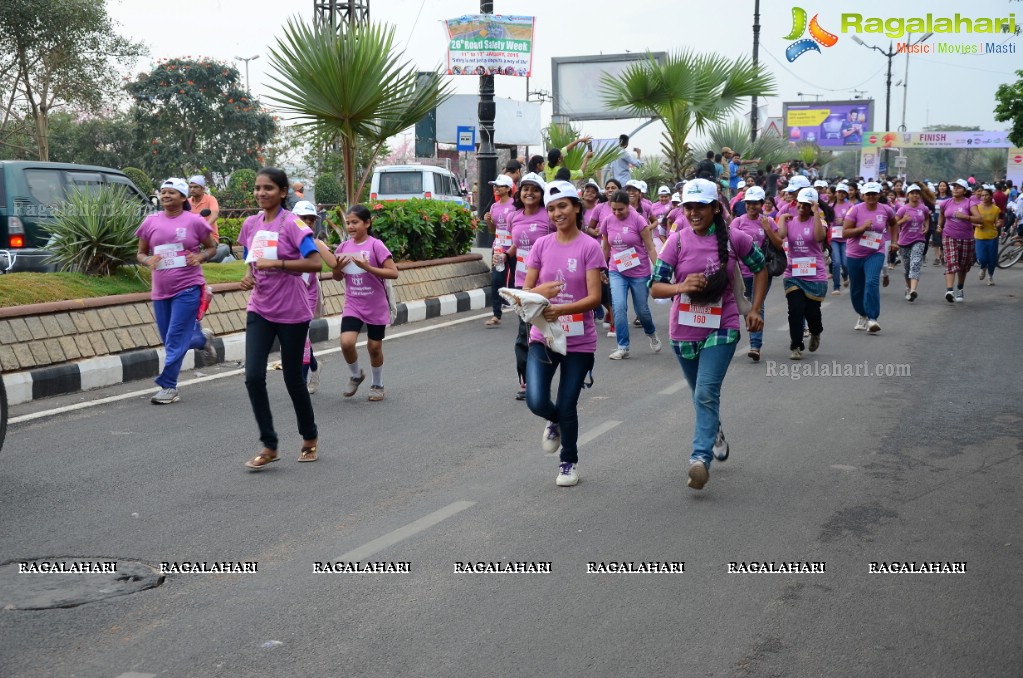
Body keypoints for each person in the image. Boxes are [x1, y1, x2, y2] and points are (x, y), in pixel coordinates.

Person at [649, 179, 767, 491]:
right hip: (683, 332)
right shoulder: (675, 241)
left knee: (705, 393)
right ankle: (714, 431)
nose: (693, 212)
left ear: (715, 208)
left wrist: (755, 309)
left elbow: (761, 267)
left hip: (723, 326)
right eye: (688, 206)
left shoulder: (735, 239)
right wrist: (680, 287)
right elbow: (655, 286)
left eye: (700, 206)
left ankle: (699, 459)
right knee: (700, 393)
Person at [238, 167, 323, 470]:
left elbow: (315, 263)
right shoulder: (251, 224)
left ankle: (309, 436)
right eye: (258, 188)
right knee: (252, 377)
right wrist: (249, 275)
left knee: (292, 379)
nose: (262, 193)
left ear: (283, 192)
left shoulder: (294, 224)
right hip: (260, 308)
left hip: (292, 312)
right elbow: (251, 258)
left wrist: (280, 263)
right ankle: (269, 444)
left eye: (269, 188)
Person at [522, 180, 603, 487]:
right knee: (536, 401)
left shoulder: (590, 246)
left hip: (579, 341)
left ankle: (568, 461)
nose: (557, 213)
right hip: (543, 336)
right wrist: (540, 292)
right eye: (552, 208)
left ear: (576, 208)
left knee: (568, 403)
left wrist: (562, 311)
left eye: (563, 206)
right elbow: (527, 292)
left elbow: (594, 298)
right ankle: (553, 420)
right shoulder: (542, 245)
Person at [135, 178, 218, 404]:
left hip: (188, 287)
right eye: (163, 192)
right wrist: (148, 259)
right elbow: (140, 253)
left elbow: (212, 247)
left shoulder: (194, 222)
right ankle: (201, 339)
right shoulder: (150, 221)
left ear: (183, 197)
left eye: (171, 192)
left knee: (174, 339)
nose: (166, 195)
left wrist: (199, 256)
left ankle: (169, 387)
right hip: (160, 290)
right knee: (169, 339)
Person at [333, 205, 399, 401]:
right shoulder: (343, 247)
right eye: (348, 223)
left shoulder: (376, 245)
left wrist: (368, 268)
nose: (351, 226)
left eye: (355, 222)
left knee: (374, 347)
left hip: (376, 305)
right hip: (353, 304)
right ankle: (355, 375)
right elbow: (336, 277)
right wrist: (337, 267)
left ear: (367, 223)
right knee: (346, 343)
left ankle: (377, 384)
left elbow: (393, 272)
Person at [505, 173, 551, 400]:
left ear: (542, 194)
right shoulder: (514, 217)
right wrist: (506, 255)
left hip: (548, 285)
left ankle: (569, 370)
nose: (529, 193)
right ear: (519, 192)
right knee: (524, 333)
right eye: (525, 189)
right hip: (522, 284)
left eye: (534, 189)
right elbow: (516, 244)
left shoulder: (549, 216)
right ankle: (526, 379)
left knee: (548, 332)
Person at [600, 189, 661, 360]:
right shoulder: (607, 221)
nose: (617, 213)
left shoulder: (638, 220)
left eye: (621, 209)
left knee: (642, 310)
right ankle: (623, 346)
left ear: (628, 206)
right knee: (618, 307)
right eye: (614, 209)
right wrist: (600, 268)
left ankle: (651, 332)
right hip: (616, 270)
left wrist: (658, 270)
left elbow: (650, 247)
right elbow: (606, 247)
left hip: (639, 271)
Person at [731, 185, 781, 361]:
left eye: (755, 203)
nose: (752, 206)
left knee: (758, 306)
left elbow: (779, 244)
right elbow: (730, 245)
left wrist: (767, 228)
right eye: (749, 203)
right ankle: (749, 334)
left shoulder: (768, 221)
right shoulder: (737, 222)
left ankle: (755, 345)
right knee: (745, 307)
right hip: (741, 273)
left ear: (762, 204)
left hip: (761, 273)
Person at [777, 188, 828, 359]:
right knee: (795, 309)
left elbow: (819, 237)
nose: (802, 207)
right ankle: (796, 345)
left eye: (807, 205)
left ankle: (815, 332)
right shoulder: (790, 221)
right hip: (793, 273)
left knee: (812, 313)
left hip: (814, 274)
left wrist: (816, 213)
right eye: (800, 203)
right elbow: (781, 236)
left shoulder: (819, 222)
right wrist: (782, 219)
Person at [842, 181, 896, 332]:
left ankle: (872, 318)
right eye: (868, 194)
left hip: (875, 252)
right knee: (856, 289)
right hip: (854, 254)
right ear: (863, 195)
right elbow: (845, 232)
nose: (871, 196)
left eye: (874, 193)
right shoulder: (855, 210)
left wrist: (895, 241)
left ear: (879, 194)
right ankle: (862, 314)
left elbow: (894, 223)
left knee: (872, 282)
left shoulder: (886, 209)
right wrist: (862, 228)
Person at [937, 179, 976, 302]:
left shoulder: (969, 203)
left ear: (964, 191)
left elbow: (979, 218)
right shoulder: (946, 202)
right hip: (949, 236)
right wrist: (939, 225)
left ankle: (960, 288)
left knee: (963, 266)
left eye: (959, 187)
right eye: (954, 187)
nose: (955, 189)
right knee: (951, 261)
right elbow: (942, 214)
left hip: (966, 238)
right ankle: (949, 290)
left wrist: (965, 217)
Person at [485, 174, 516, 327]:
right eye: (495, 186)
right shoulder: (494, 206)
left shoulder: (515, 205)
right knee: (497, 280)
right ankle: (496, 315)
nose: (496, 188)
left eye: (499, 186)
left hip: (515, 248)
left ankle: (524, 313)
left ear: (508, 188)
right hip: (498, 248)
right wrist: (488, 221)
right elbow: (493, 230)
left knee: (518, 280)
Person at [894, 185, 930, 301]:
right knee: (907, 268)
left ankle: (914, 290)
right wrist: (903, 220)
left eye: (917, 193)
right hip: (904, 241)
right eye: (912, 193)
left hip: (919, 239)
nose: (915, 195)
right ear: (908, 195)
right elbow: (894, 224)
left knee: (915, 263)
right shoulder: (903, 209)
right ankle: (908, 287)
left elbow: (927, 217)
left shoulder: (923, 208)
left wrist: (927, 227)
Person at [188, 176, 233, 263]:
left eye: (196, 187)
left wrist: (203, 228)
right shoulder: (187, 202)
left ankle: (201, 258)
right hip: (192, 239)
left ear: (203, 189)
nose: (192, 189)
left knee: (224, 249)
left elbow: (214, 215)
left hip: (210, 239)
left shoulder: (210, 199)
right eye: (190, 187)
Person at [970, 185, 1002, 286]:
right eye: (982, 195)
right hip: (979, 236)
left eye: (986, 195)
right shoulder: (976, 208)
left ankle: (990, 277)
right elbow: (970, 221)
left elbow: (997, 221)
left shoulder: (996, 209)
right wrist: (976, 224)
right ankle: (983, 267)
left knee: (992, 258)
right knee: (982, 258)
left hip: (992, 236)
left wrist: (998, 224)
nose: (984, 197)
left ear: (991, 196)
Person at [829, 182, 854, 294]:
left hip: (845, 238)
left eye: (844, 192)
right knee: (836, 262)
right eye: (839, 192)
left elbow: (854, 222)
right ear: (836, 193)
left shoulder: (850, 206)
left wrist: (843, 222)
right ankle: (836, 287)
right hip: (833, 238)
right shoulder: (830, 206)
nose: (841, 194)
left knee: (845, 263)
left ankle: (845, 274)